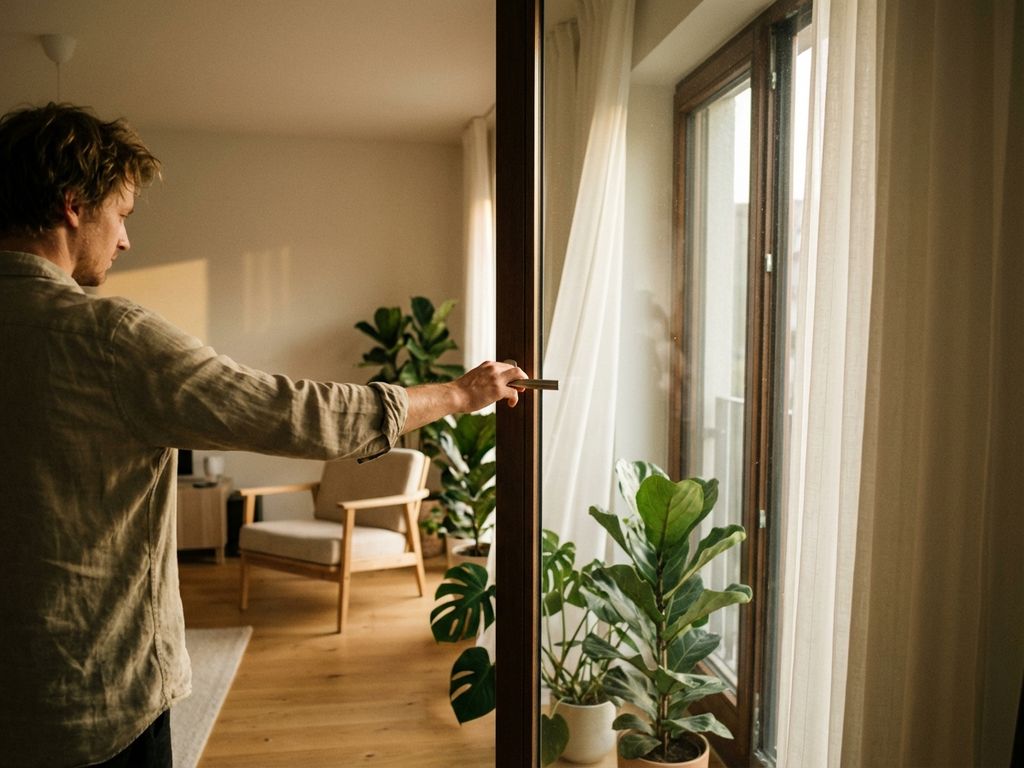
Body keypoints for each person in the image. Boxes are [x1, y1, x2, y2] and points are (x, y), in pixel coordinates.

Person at [0, 102, 526, 768]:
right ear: (74, 205)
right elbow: (292, 412)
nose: (126, 240)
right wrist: (461, 394)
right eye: (123, 215)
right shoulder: (107, 339)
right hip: (90, 699)